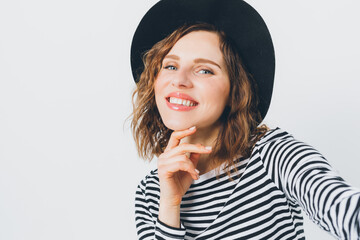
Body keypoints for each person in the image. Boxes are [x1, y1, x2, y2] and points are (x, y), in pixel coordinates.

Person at [129, 0, 360, 239]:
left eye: (205, 70)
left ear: (235, 91)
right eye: (170, 66)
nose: (179, 80)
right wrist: (170, 203)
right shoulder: (150, 192)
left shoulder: (272, 154)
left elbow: (343, 208)